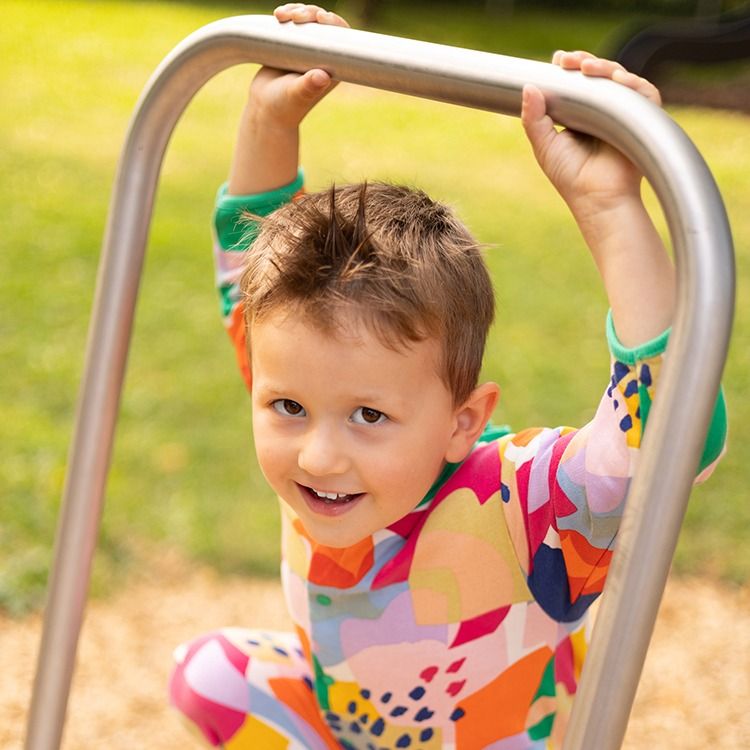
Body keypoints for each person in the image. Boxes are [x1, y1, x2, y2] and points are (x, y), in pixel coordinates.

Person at [169, 5, 727, 749]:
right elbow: (250, 283)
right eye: (288, 407)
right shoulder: (314, 388)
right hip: (356, 724)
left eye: (369, 416)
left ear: (464, 419)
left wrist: (608, 205)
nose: (318, 455)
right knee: (210, 675)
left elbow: (667, 430)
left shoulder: (520, 502)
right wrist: (271, 123)